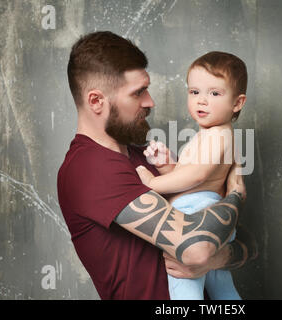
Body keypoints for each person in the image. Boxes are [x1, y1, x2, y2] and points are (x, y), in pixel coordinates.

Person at [57, 31, 257, 300]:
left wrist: (217, 259)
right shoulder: (89, 169)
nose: (150, 102)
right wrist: (235, 196)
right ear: (96, 101)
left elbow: (247, 242)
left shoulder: (148, 158)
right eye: (138, 92)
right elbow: (197, 248)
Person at [136, 51, 248, 300]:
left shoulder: (219, 135)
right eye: (194, 92)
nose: (202, 101)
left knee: (185, 286)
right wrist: (167, 165)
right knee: (222, 288)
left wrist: (154, 182)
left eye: (214, 93)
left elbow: (196, 176)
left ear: (237, 103)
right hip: (209, 217)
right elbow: (191, 175)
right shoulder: (209, 135)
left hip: (198, 217)